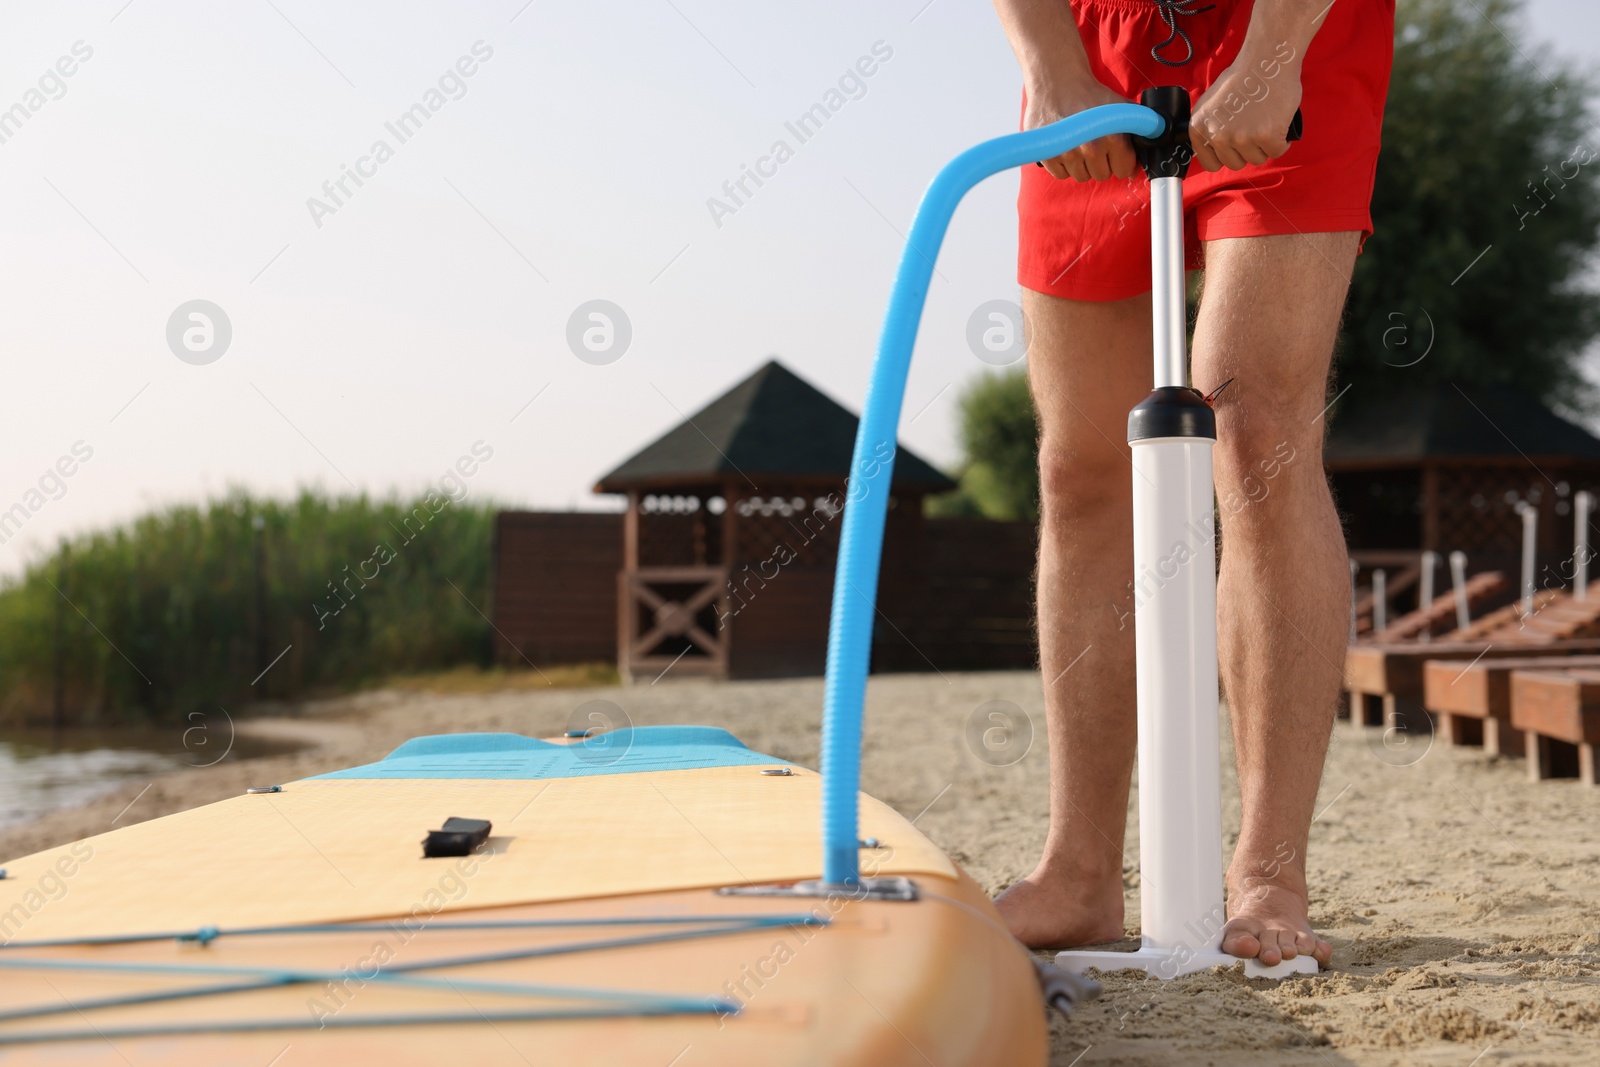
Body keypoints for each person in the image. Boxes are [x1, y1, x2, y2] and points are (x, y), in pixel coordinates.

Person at [989, 0, 1394, 968]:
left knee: (1251, 427)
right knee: (1079, 468)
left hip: (1288, 30)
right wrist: (1048, 61)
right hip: (1093, 48)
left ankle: (1267, 874)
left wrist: (1274, 52)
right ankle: (1080, 872)